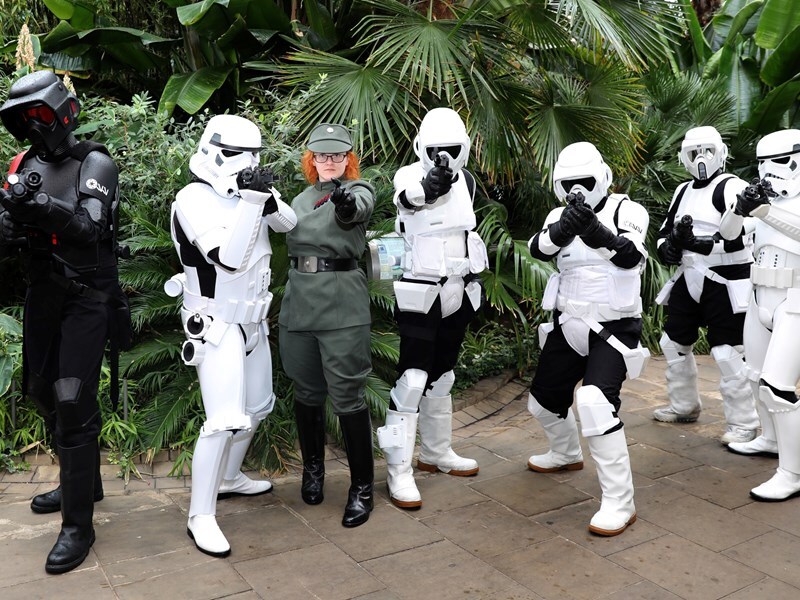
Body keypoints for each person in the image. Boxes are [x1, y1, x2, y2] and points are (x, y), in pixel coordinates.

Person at [0, 71, 128, 573]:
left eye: (40, 115)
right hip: (43, 295)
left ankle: (79, 525)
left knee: (73, 399)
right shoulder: (21, 164)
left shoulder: (93, 163)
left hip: (87, 298)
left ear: (61, 112)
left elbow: (89, 228)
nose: (34, 126)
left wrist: (40, 207)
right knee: (39, 389)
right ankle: (85, 480)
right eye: (24, 119)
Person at [167, 114, 297, 556]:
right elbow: (228, 258)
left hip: (253, 322)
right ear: (212, 150)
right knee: (223, 419)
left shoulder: (251, 191)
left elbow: (289, 225)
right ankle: (199, 515)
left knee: (259, 406)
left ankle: (229, 478)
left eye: (253, 157)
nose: (245, 165)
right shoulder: (192, 198)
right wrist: (251, 201)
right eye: (237, 156)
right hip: (215, 324)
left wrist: (266, 199)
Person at [525, 141, 649, 536]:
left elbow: (633, 257)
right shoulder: (557, 214)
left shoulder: (626, 210)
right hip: (568, 321)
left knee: (595, 403)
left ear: (603, 177)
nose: (577, 189)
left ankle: (619, 502)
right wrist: (562, 229)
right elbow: (537, 248)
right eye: (569, 183)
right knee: (541, 404)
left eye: (584, 181)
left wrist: (600, 235)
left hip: (613, 327)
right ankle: (565, 452)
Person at [377, 108, 488, 510]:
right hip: (420, 294)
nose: (443, 157)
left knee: (442, 377)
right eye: (436, 149)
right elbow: (408, 199)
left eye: (451, 149)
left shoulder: (470, 182)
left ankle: (436, 452)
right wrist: (428, 187)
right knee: (412, 380)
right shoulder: (409, 176)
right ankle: (398, 469)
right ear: (421, 147)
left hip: (458, 291)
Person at [278, 122, 375, 527]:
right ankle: (313, 470)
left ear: (347, 160)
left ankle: (362, 488)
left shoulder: (358, 189)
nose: (329, 162)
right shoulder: (297, 200)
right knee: (306, 391)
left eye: (337, 155)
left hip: (341, 306)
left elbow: (358, 209)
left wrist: (345, 203)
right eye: (322, 155)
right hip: (299, 305)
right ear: (311, 159)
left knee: (348, 396)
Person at [652, 126, 758, 445]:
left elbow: (745, 234)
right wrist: (667, 247)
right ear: (684, 156)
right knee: (673, 343)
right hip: (690, 275)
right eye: (694, 152)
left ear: (721, 152)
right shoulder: (683, 190)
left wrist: (705, 245)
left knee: (727, 352)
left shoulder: (732, 187)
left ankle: (745, 423)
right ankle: (684, 405)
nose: (701, 159)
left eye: (707, 151)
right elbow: (664, 230)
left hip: (726, 279)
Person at [725, 129, 800, 500]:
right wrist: (738, 209)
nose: (768, 171)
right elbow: (729, 235)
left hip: (795, 298)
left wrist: (766, 211)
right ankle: (770, 439)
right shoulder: (764, 201)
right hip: (759, 297)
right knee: (754, 375)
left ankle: (792, 472)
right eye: (762, 164)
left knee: (778, 387)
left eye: (778, 162)